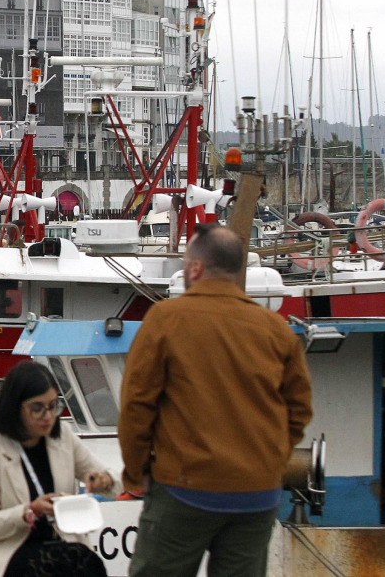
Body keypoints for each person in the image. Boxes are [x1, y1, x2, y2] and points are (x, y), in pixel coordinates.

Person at [119, 224, 313, 577]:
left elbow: (137, 406)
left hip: (185, 486)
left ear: (195, 269)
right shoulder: (275, 329)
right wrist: (270, 461)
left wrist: (136, 472)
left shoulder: (166, 319)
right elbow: (299, 409)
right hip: (257, 492)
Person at [0, 361, 117, 577]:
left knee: (88, 563)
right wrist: (31, 510)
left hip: (59, 542)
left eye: (53, 406)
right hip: (8, 551)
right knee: (51, 567)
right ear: (15, 408)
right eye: (38, 408)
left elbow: (109, 479)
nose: (48, 416)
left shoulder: (62, 434)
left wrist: (104, 480)